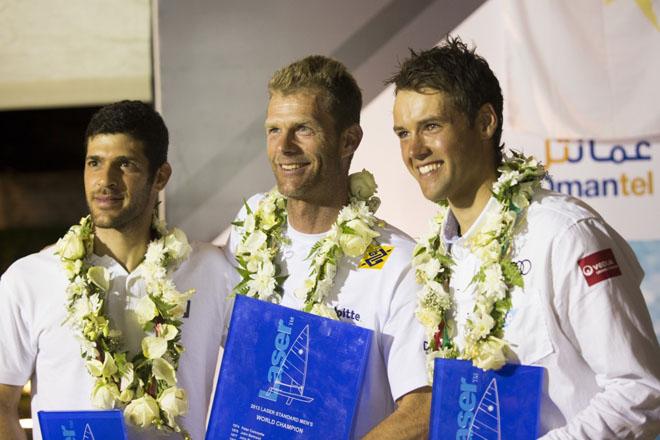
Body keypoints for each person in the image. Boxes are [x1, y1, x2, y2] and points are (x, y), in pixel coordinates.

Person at [387, 36, 660, 438]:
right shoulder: (432, 260)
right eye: (402, 133)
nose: (415, 150)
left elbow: (642, 392)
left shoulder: (564, 234)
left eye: (431, 126)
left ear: (485, 122)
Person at [0, 101, 234, 440]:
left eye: (125, 164)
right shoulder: (30, 279)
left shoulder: (210, 270)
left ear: (161, 176)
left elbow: (257, 382)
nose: (104, 180)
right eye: (94, 162)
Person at [225, 55, 430, 439]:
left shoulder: (397, 261)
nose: (283, 147)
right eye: (273, 130)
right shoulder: (249, 230)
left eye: (302, 129)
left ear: (348, 140)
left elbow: (422, 409)